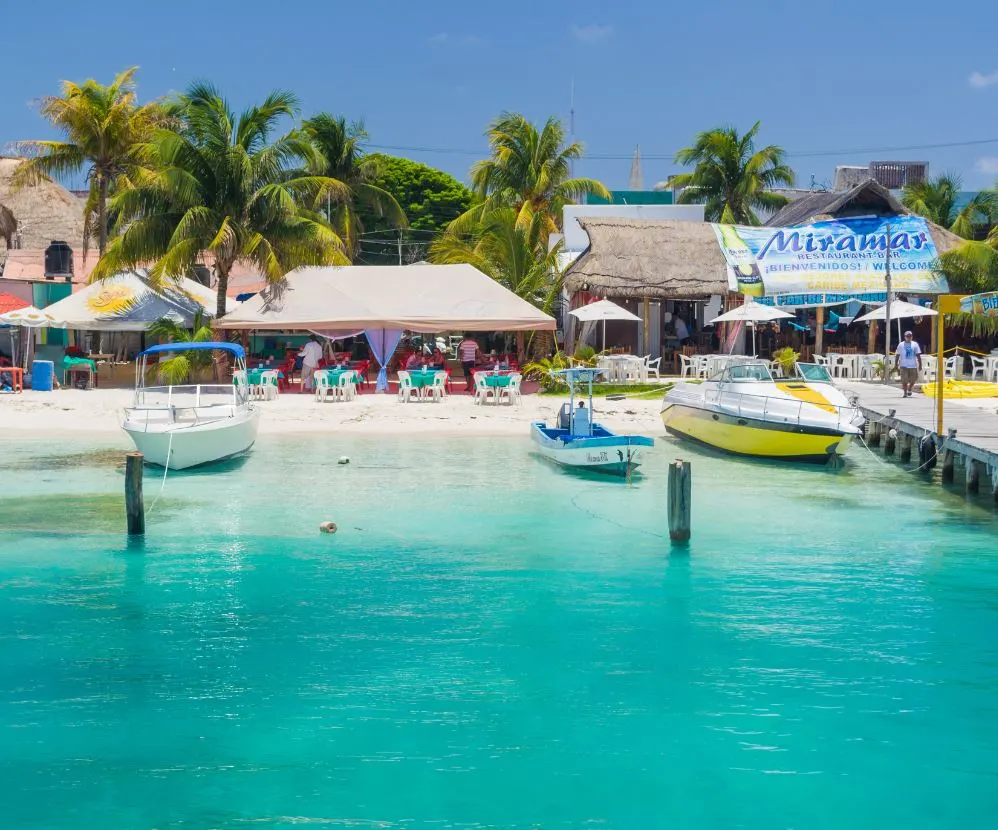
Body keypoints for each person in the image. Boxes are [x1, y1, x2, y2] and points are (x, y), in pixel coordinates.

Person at [895, 330, 923, 398]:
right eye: (907, 336)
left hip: (913, 365)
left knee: (914, 379)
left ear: (912, 337)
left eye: (910, 336)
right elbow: (897, 355)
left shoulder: (915, 344)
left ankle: (910, 388)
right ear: (904, 337)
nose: (909, 337)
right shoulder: (901, 345)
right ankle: (905, 392)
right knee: (904, 380)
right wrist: (896, 364)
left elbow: (918, 355)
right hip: (903, 365)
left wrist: (920, 365)